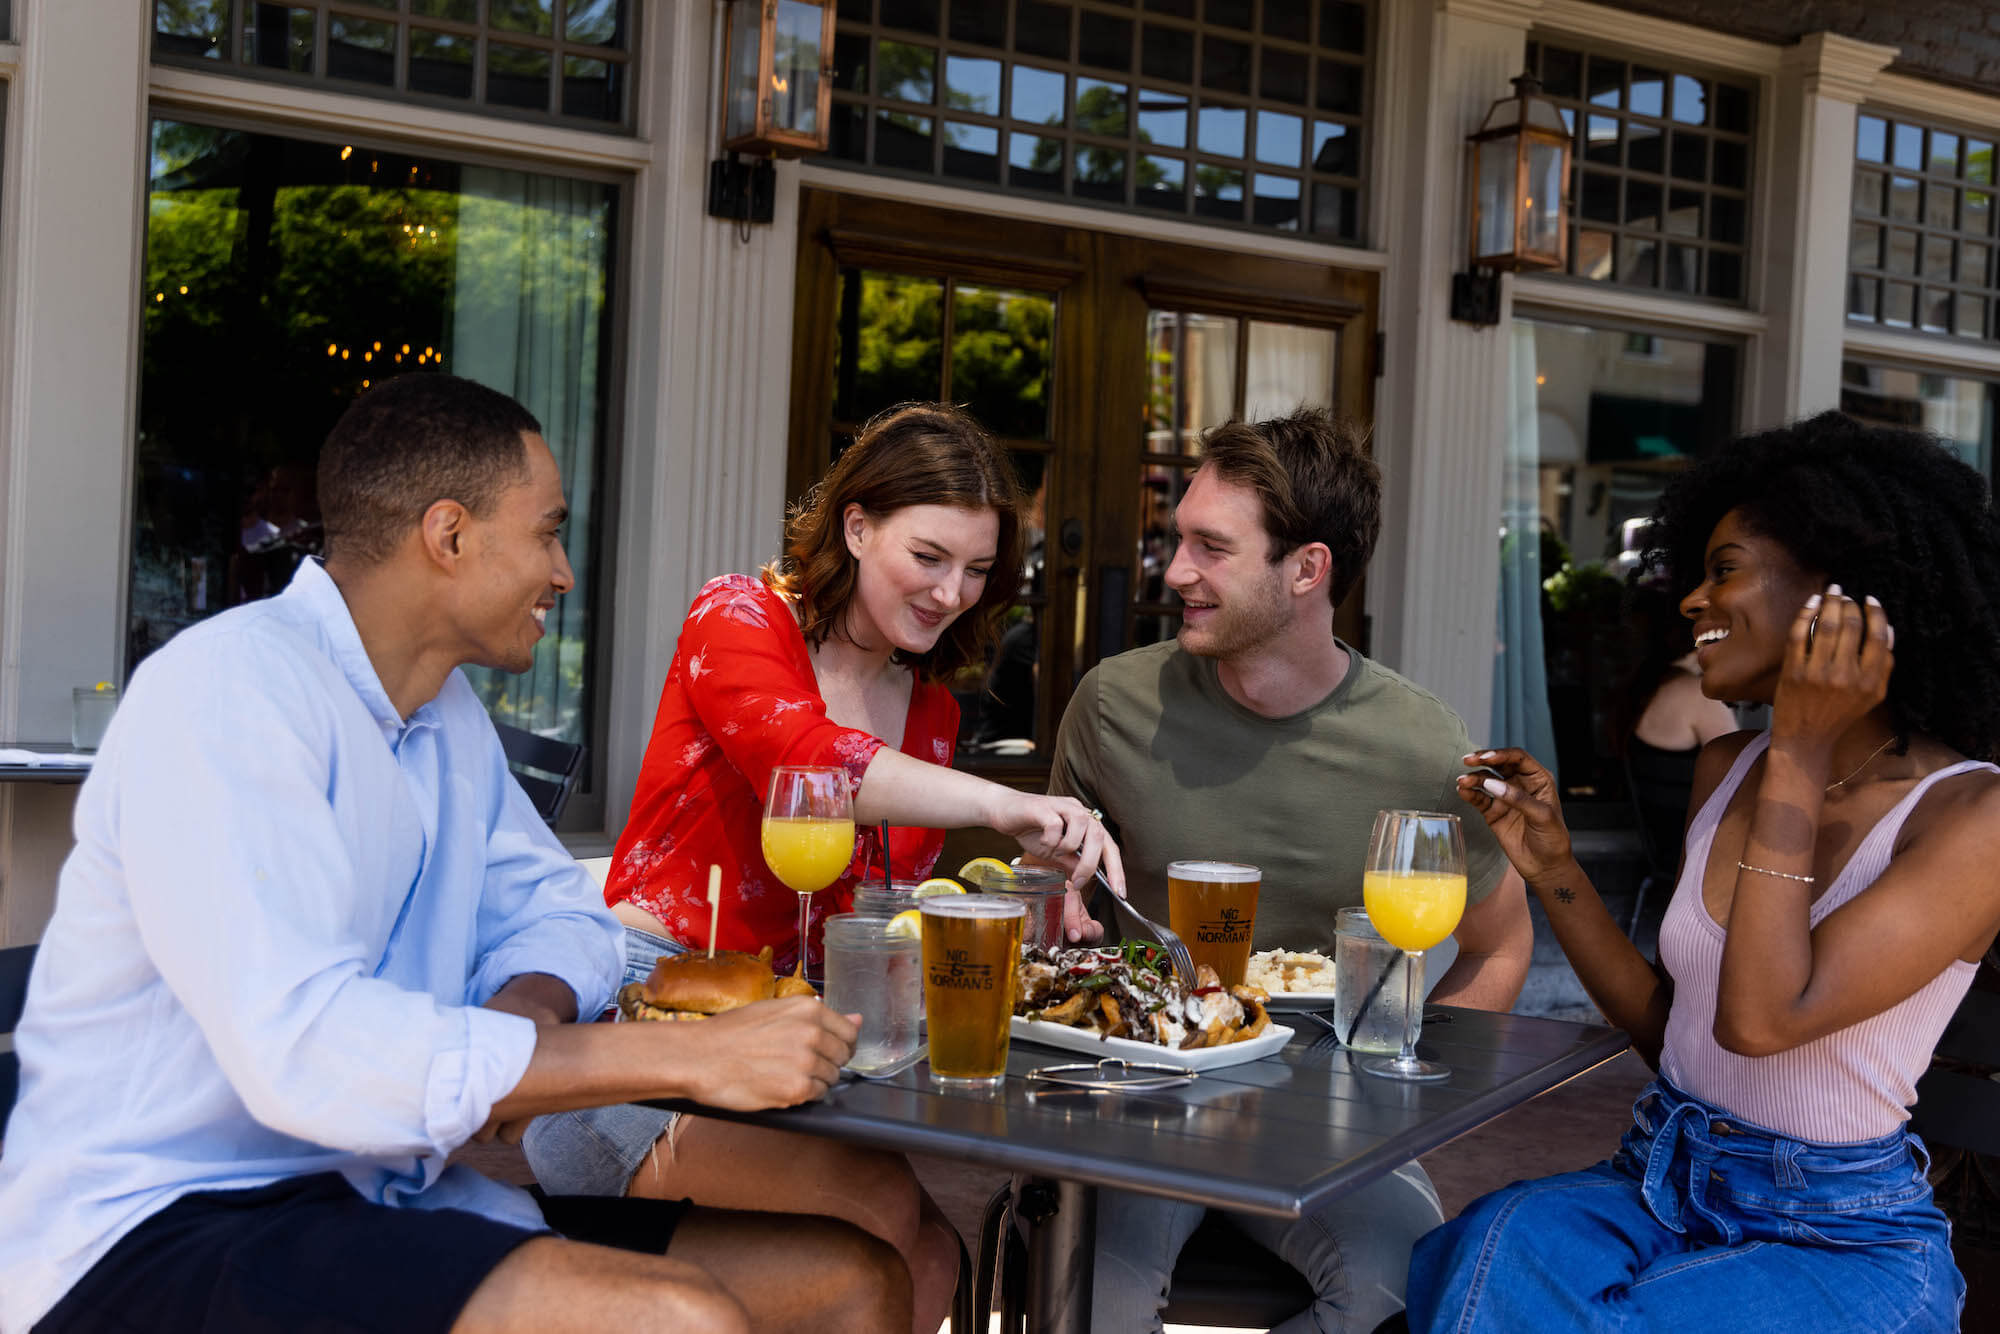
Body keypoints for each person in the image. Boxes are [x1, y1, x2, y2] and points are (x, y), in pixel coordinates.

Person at [0, 374, 908, 1334]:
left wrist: (526, 1017)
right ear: (449, 535)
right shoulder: (230, 692)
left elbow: (563, 915)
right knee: (671, 1317)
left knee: (854, 1279)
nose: (562, 573)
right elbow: (306, 1053)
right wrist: (687, 1059)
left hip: (380, 1198)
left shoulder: (444, 718)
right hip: (161, 1226)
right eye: (548, 532)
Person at [527, 400, 1125, 1334]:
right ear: (856, 525)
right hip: (639, 1034)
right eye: (928, 558)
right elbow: (814, 767)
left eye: (975, 570)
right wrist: (1000, 802)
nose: (952, 593)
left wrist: (1033, 901)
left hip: (791, 1045)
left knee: (937, 1254)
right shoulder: (737, 616)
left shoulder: (927, 712)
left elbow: (878, 919)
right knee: (883, 1212)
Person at [1409, 410, 2000, 1332]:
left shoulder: (1974, 815)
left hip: (1837, 1237)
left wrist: (1800, 750)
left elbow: (1762, 1021)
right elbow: (1681, 1034)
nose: (1690, 601)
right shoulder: (1728, 770)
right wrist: (1553, 866)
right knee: (1488, 1247)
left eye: (1724, 570)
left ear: (1840, 596)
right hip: (1656, 1179)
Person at [1048, 406, 1533, 1333]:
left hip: (1336, 1118)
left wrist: (1402, 1095)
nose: (1175, 570)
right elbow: (1054, 897)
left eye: (1210, 548)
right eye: (1178, 539)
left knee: (1405, 1292)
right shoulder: (1113, 704)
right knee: (1090, 1295)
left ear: (1307, 569)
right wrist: (1052, 903)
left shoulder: (1422, 746)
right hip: (1150, 1088)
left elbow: (1501, 945)